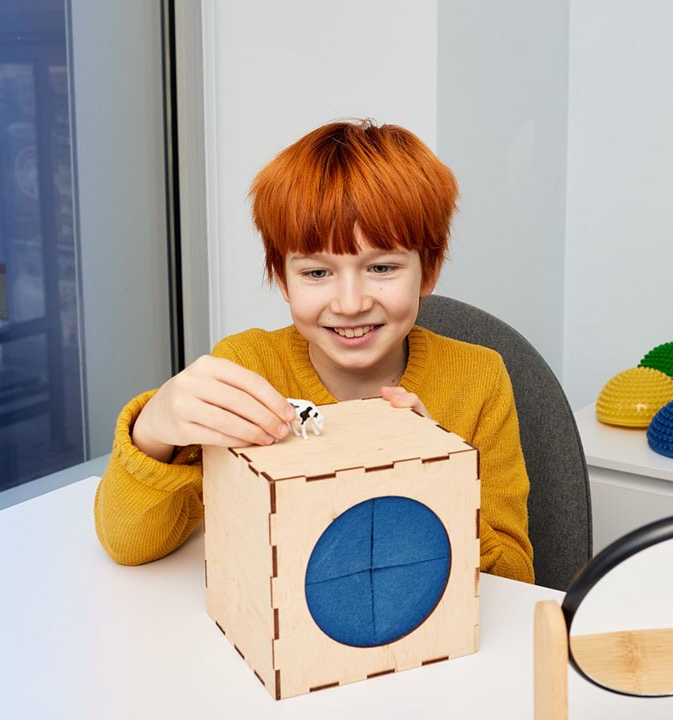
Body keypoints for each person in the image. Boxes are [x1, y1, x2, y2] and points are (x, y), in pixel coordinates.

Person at [93, 120, 534, 583]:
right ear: (281, 278)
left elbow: (518, 579)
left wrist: (440, 475)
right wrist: (154, 431)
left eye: (382, 267)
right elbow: (128, 545)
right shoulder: (248, 368)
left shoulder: (479, 378)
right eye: (316, 273)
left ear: (429, 270)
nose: (349, 303)